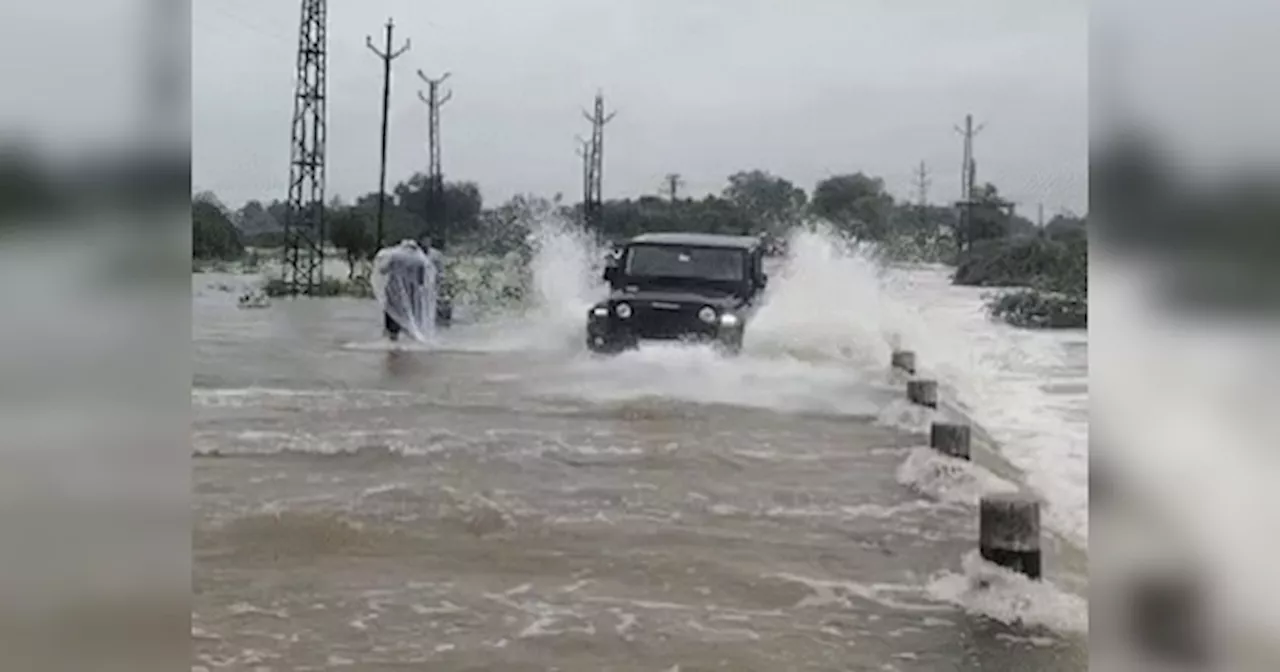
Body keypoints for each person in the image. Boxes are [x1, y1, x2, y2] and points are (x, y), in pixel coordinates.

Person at [372, 239, 433, 342]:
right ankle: (411, 339)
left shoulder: (395, 257)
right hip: (411, 291)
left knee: (391, 314)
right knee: (410, 316)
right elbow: (421, 280)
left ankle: (392, 339)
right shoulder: (419, 260)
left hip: (393, 290)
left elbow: (383, 270)